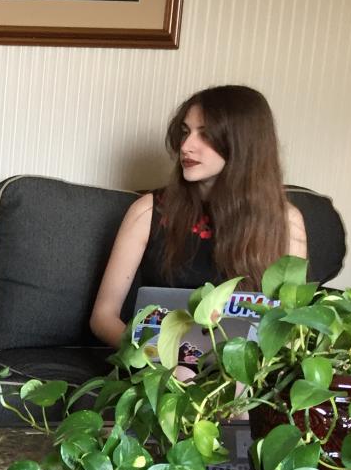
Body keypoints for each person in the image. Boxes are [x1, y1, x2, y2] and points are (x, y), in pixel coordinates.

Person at [89, 84, 308, 348]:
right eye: (185, 132)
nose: (186, 146)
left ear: (242, 144)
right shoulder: (148, 211)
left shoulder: (285, 222)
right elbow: (103, 317)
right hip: (156, 365)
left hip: (241, 373)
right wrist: (151, 358)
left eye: (205, 135)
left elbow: (289, 325)